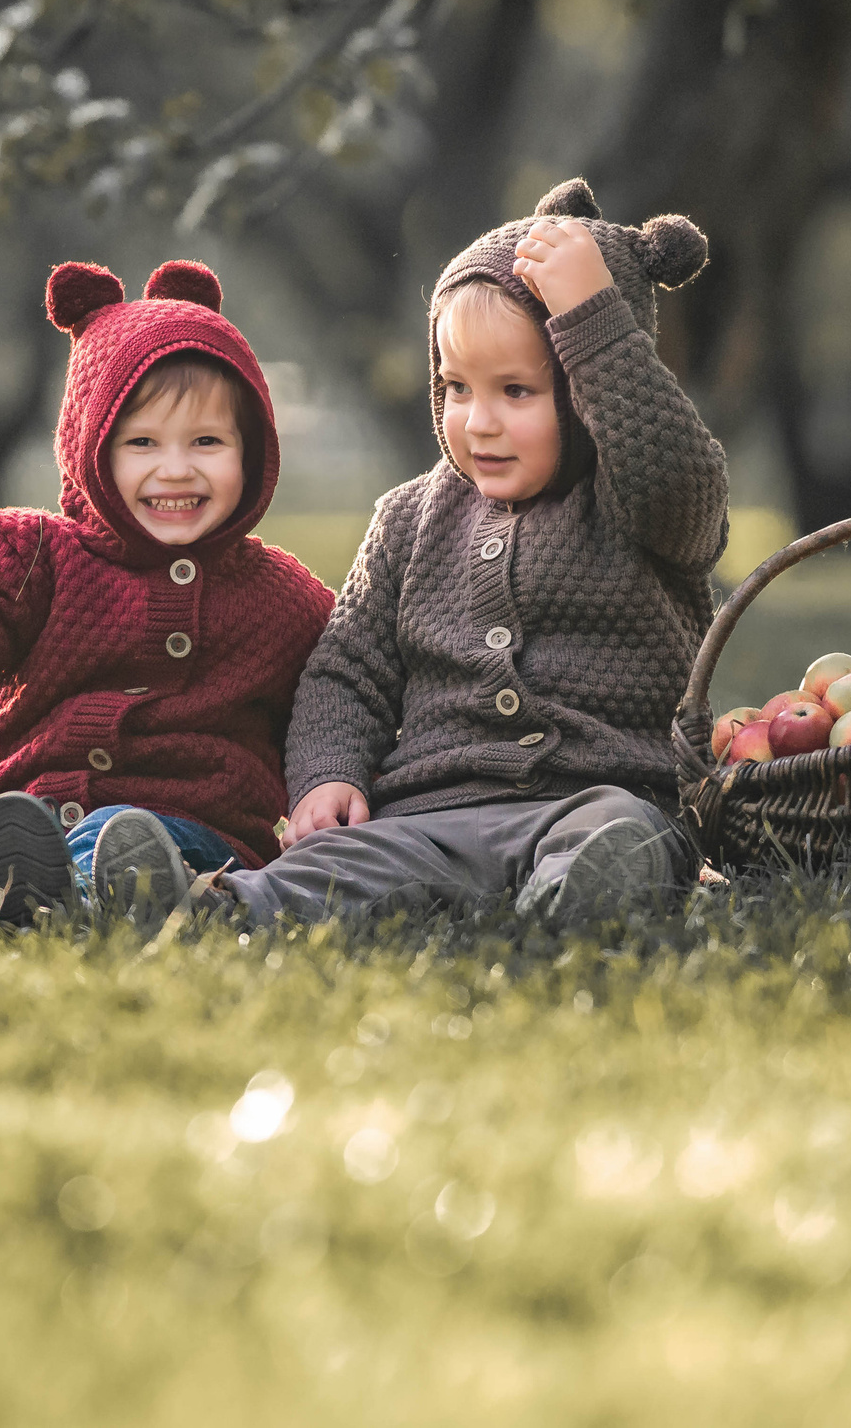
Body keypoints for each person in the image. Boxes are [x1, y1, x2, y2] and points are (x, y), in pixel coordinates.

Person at [212, 177, 727, 926]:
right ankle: (216, 904)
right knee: (332, 865)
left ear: (591, 386)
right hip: (429, 815)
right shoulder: (408, 519)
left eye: (516, 391)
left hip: (591, 798)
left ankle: (579, 897)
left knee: (624, 834)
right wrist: (327, 775)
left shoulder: (635, 502)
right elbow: (345, 672)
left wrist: (594, 321)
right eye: (456, 388)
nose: (477, 422)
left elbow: (681, 475)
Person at [0, 257, 332, 928]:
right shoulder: (32, 555)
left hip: (195, 841)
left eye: (208, 441)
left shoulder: (285, 600)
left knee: (121, 843)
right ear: (87, 445)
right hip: (19, 827)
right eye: (141, 442)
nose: (176, 468)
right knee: (19, 859)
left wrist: (335, 795)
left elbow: (342, 709)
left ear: (253, 450)